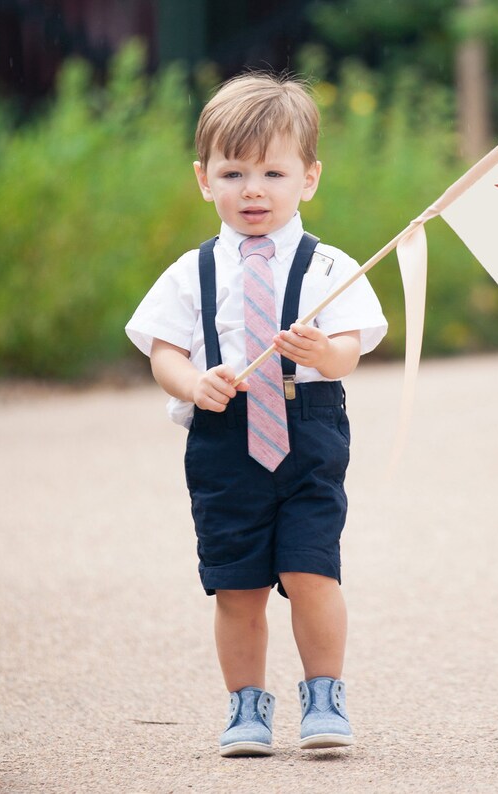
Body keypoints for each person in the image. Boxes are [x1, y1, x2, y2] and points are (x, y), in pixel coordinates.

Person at [125, 72, 387, 757]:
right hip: (224, 436)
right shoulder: (193, 271)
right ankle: (246, 705)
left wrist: (323, 350)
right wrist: (192, 382)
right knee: (236, 584)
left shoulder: (331, 267)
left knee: (311, 570)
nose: (253, 189)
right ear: (204, 179)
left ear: (309, 178)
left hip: (308, 429)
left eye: (274, 171)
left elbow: (352, 351)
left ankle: (324, 694)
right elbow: (163, 350)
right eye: (233, 171)